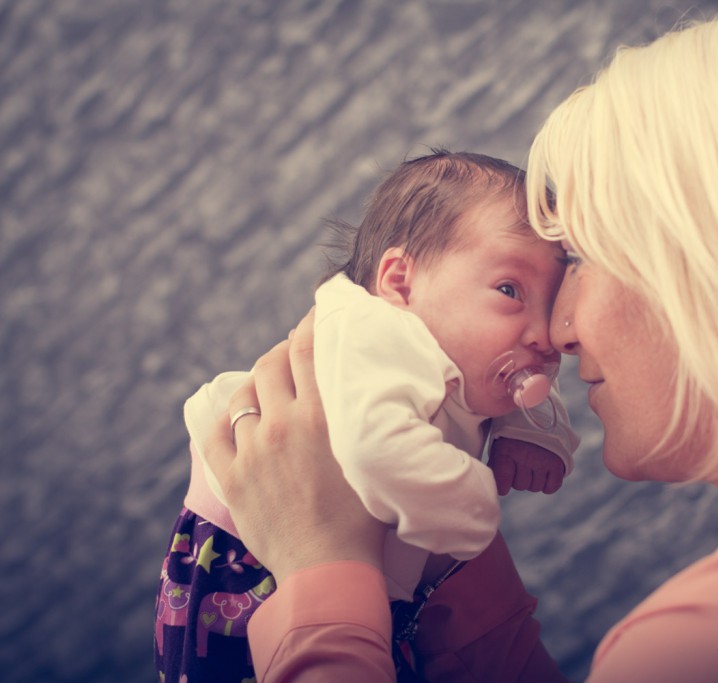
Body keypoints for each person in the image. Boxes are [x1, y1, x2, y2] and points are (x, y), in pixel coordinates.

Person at [205, 5, 718, 682]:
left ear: (714, 263)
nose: (557, 330)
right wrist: (450, 557)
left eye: (576, 260)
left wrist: (321, 571)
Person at [154, 150, 580, 682]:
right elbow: (376, 448)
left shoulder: (478, 351)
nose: (545, 335)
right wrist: (473, 511)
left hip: (351, 580)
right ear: (400, 282)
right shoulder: (378, 337)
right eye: (510, 291)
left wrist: (529, 435)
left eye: (555, 305)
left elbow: (531, 388)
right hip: (244, 565)